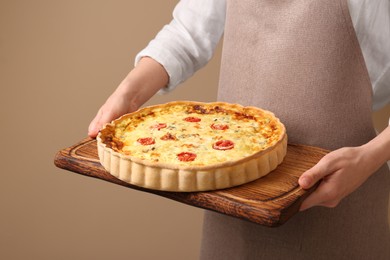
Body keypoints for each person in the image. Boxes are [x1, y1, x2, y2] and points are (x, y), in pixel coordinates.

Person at [88, 0, 390, 258]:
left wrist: (371, 157)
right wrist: (127, 94)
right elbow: (186, 33)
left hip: (340, 189)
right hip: (233, 197)